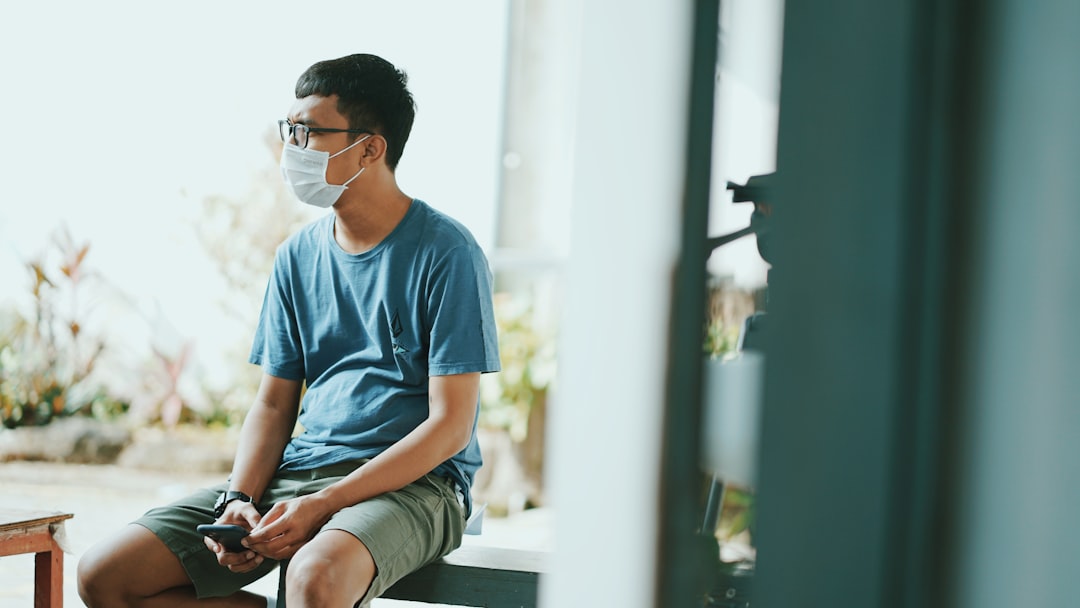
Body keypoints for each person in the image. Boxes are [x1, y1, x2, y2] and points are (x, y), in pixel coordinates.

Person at [77, 53, 501, 608]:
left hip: (419, 486)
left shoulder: (447, 252)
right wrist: (240, 497)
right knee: (106, 576)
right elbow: (275, 406)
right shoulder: (296, 258)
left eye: (310, 132)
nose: (293, 147)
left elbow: (450, 426)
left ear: (370, 147)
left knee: (315, 579)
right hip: (300, 473)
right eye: (291, 130)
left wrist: (325, 505)